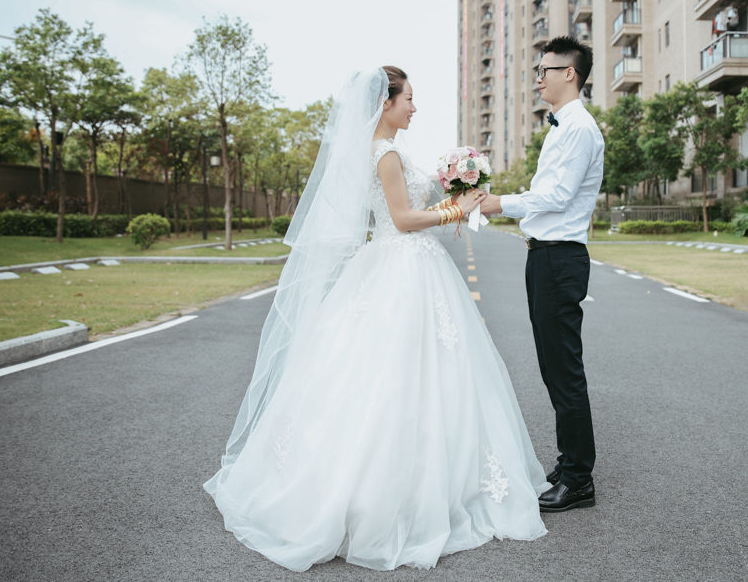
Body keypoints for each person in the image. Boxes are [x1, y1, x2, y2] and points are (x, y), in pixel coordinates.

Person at [204, 67, 550, 572]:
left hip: (401, 264)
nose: (414, 107)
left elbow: (409, 206)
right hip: (403, 264)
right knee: (399, 376)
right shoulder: (385, 154)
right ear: (385, 103)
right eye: (409, 99)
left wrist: (457, 192)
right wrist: (456, 212)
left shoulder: (386, 150)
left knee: (410, 374)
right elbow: (404, 221)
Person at [479, 36, 604, 513]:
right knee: (553, 367)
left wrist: (499, 203)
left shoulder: (579, 129)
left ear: (568, 73)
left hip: (559, 258)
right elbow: (548, 192)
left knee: (564, 369)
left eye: (544, 70)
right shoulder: (562, 126)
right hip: (545, 256)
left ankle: (578, 479)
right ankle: (570, 460)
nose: (538, 78)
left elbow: (556, 196)